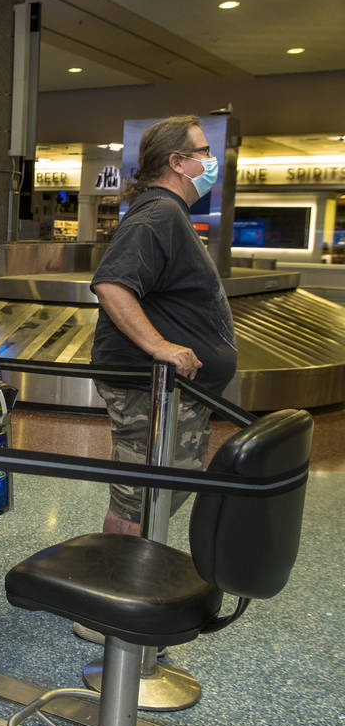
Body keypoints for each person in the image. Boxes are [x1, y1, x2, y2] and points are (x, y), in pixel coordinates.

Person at [89, 115, 238, 536]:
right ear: (177, 161)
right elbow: (112, 285)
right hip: (149, 387)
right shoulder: (158, 213)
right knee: (139, 498)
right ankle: (118, 578)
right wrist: (160, 346)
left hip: (172, 390)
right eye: (204, 152)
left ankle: (130, 571)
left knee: (156, 492)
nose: (211, 160)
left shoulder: (169, 212)